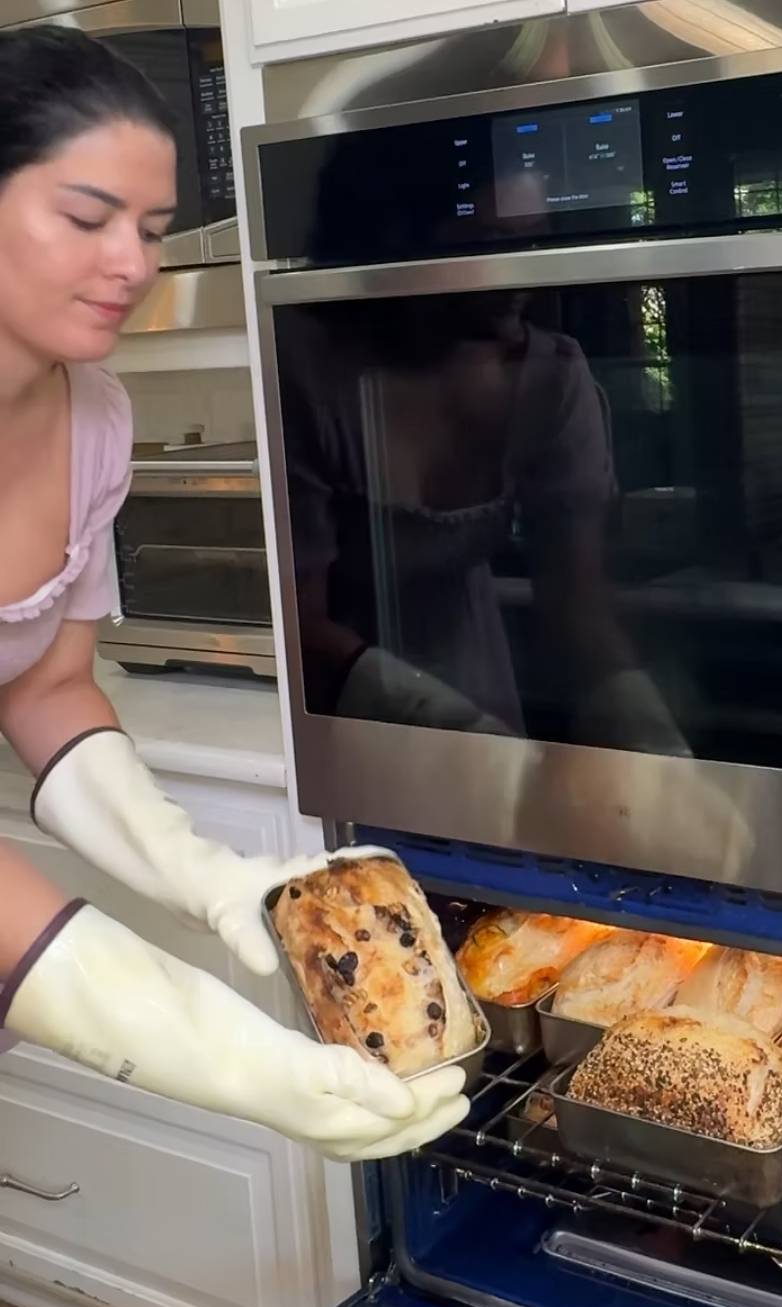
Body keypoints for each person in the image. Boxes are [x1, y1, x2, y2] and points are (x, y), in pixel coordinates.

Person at [0, 26, 468, 1161]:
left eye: (153, 231)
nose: (131, 263)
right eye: (86, 216)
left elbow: (51, 686)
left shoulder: (95, 417)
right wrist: (209, 1050)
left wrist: (200, 874)